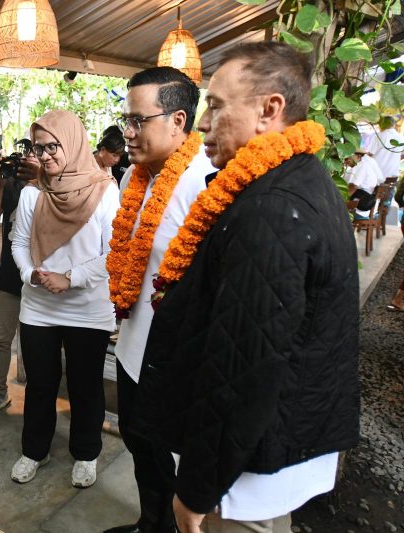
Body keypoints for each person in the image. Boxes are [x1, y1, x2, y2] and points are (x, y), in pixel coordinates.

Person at [133, 42, 359, 532]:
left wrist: (195, 490)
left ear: (269, 110)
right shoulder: (295, 180)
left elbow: (241, 367)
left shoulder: (270, 207)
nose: (202, 123)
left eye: (215, 106)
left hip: (242, 473)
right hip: (259, 451)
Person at [105, 66, 216, 533]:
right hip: (132, 347)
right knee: (138, 443)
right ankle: (149, 523)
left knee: (165, 456)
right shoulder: (137, 176)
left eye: (138, 121)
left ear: (178, 121)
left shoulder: (205, 183)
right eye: (126, 120)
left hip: (171, 362)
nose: (127, 132)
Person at [10, 110, 118, 488]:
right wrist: (31, 275)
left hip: (87, 306)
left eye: (52, 146)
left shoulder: (105, 188)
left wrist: (69, 278)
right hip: (39, 305)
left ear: (71, 141)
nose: (45, 155)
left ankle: (86, 453)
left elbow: (113, 252)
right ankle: (34, 450)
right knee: (40, 383)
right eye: (38, 148)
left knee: (85, 385)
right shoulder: (31, 194)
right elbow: (20, 243)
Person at [0, 136, 41, 421]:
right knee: (0, 340)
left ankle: (40, 398)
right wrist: (0, 183)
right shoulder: (11, 185)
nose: (30, 158)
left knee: (38, 345)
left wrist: (42, 180)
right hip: (9, 276)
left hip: (42, 280)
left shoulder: (54, 185)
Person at [345, 148, 385, 217]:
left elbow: (354, 186)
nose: (346, 160)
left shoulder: (362, 166)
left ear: (359, 156)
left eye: (348, 157)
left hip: (358, 208)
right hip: (363, 205)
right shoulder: (364, 164)